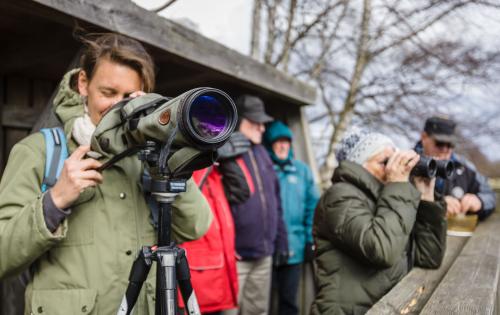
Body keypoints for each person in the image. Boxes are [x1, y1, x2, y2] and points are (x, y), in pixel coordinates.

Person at [0, 33, 212, 314]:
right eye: (108, 93)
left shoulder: (152, 155)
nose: (117, 106)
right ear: (83, 84)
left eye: (129, 97)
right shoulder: (38, 151)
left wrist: (167, 158)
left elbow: (196, 227)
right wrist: (54, 201)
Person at [311, 128, 447, 314]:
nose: (393, 167)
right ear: (359, 165)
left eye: (394, 160)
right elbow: (383, 250)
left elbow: (429, 257)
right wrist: (397, 186)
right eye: (385, 161)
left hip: (390, 306)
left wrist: (426, 195)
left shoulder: (386, 197)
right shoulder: (339, 197)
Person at [218, 95, 288, 315]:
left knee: (258, 312)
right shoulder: (221, 151)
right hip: (234, 256)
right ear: (238, 120)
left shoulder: (264, 154)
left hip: (263, 255)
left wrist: (281, 240)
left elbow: (276, 202)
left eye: (262, 123)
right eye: (254, 122)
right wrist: (213, 154)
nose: (262, 128)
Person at [263, 120, 319, 315]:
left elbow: (313, 207)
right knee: (263, 303)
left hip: (295, 247)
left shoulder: (302, 171)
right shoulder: (264, 168)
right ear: (270, 144)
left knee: (289, 302)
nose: (282, 146)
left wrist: (310, 240)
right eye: (277, 142)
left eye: (286, 141)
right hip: (267, 248)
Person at [178, 166, 239, 315]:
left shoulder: (216, 173)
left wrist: (228, 158)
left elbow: (244, 191)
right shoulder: (193, 170)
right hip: (200, 273)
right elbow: (185, 194)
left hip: (220, 268)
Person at [415, 116, 496, 220]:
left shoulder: (464, 167)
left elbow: (490, 195)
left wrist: (480, 201)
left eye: (450, 145)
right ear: (424, 137)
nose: (445, 149)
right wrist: (436, 204)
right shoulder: (405, 165)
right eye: (440, 143)